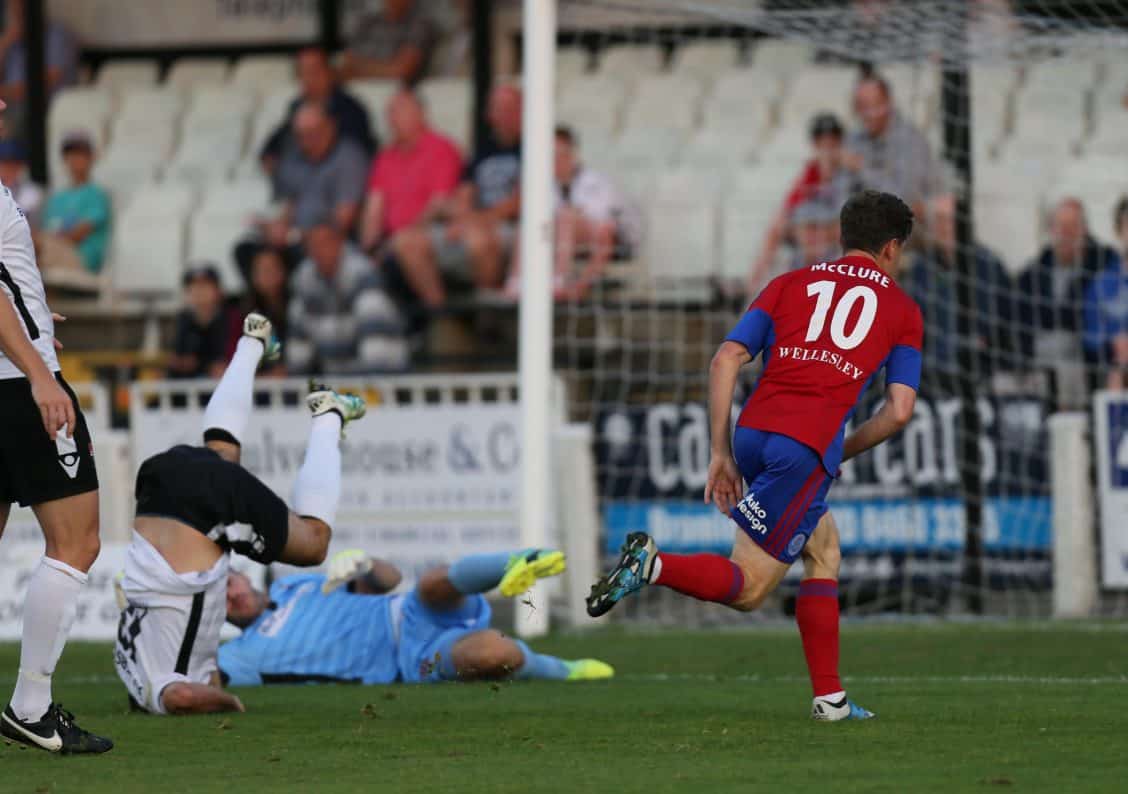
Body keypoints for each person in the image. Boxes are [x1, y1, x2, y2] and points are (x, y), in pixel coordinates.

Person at [587, 190, 923, 723]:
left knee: (824, 548)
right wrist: (839, 450)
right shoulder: (903, 310)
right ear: (890, 248)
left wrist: (720, 451)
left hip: (753, 432)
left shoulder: (788, 282)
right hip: (803, 449)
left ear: (842, 238)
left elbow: (726, 359)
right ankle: (652, 565)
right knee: (748, 588)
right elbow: (899, 410)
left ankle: (830, 700)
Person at [114, 313, 367, 715]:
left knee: (314, 544)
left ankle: (328, 415)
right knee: (220, 453)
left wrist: (228, 703)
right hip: (159, 486)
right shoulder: (129, 663)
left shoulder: (158, 686)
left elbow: (179, 695)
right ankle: (253, 340)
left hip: (200, 517)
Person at [0, 102, 109, 752]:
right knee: (78, 541)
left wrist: (35, 312)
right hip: (18, 390)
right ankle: (30, 705)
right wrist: (37, 370)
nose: (5, 103)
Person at [219, 547, 613, 687]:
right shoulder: (240, 655)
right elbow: (199, 681)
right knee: (494, 655)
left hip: (407, 609)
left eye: (229, 582)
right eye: (220, 598)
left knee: (431, 582)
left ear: (240, 574)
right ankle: (563, 671)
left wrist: (365, 563)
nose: (232, 594)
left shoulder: (296, 587)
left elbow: (388, 580)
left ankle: (519, 561)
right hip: (408, 661)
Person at [390, 84, 522, 307]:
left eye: (510, 108)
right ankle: (441, 313)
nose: (503, 115)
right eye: (498, 109)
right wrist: (460, 219)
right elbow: (465, 193)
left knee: (479, 241)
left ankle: (487, 316)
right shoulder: (483, 150)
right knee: (405, 242)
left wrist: (476, 221)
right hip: (474, 224)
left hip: (509, 229)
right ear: (489, 114)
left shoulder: (535, 147)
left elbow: (521, 202)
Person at [506, 125, 640, 302]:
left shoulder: (597, 184)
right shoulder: (545, 186)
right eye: (548, 153)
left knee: (566, 218)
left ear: (572, 153)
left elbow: (606, 237)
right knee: (530, 221)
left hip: (618, 243)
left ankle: (559, 281)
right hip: (569, 241)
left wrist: (581, 286)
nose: (555, 159)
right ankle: (516, 281)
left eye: (560, 153)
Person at [236, 102, 369, 276]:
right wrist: (274, 227)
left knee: (315, 250)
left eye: (313, 133)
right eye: (300, 135)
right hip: (295, 238)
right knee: (248, 250)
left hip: (332, 241)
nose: (306, 141)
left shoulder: (349, 158)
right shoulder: (295, 157)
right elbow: (290, 204)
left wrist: (294, 235)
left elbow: (342, 221)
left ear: (330, 127)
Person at [904, 194, 1015, 393]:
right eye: (938, 219)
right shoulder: (921, 270)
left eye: (949, 219)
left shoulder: (989, 266)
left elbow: (1007, 324)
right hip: (932, 378)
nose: (944, 226)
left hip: (983, 375)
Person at [1015, 197, 1120, 405]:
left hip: (1088, 356)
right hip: (1040, 361)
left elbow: (1089, 314)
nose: (1067, 234)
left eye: (1073, 226)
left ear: (1084, 230)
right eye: (1061, 227)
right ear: (1051, 231)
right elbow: (1022, 315)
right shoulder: (1035, 271)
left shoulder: (1103, 262)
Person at [750, 113, 857, 294]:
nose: (826, 148)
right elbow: (786, 213)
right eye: (821, 143)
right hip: (814, 238)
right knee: (783, 231)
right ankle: (756, 285)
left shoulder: (853, 172)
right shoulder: (810, 172)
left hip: (838, 238)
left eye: (832, 142)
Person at [286, 224, 409, 375]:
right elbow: (299, 346)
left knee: (371, 306)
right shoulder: (304, 282)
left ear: (340, 244)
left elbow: (378, 348)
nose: (318, 251)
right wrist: (296, 384)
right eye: (312, 245)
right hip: (336, 381)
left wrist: (372, 389)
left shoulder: (363, 278)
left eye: (325, 243)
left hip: (379, 378)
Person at [359, 88, 462, 255]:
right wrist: (369, 249)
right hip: (389, 241)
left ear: (421, 114)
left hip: (428, 236)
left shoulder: (441, 148)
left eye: (400, 111)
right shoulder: (385, 156)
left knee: (406, 246)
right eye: (390, 112)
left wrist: (400, 239)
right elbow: (374, 208)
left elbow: (438, 204)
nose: (393, 118)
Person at [259, 47, 377, 174]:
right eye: (303, 72)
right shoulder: (297, 105)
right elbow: (280, 137)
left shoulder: (351, 108)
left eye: (314, 71)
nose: (309, 78)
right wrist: (269, 155)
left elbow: (356, 152)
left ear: (329, 72)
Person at [845, 75, 940, 217]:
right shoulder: (855, 139)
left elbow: (904, 200)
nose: (868, 113)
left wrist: (862, 168)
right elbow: (842, 191)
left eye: (873, 104)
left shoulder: (911, 140)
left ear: (888, 103)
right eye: (861, 106)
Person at [0, 0, 78, 140]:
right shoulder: (13, 42)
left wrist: (4, 92)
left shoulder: (57, 35)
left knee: (19, 116)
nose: (17, 11)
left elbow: (42, 83)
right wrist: (6, 41)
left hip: (41, 111)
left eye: (22, 6)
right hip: (10, 110)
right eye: (13, 7)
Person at [39, 131, 111, 276]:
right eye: (71, 154)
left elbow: (77, 234)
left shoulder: (96, 195)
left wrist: (47, 239)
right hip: (51, 253)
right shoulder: (56, 199)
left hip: (81, 259)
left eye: (81, 154)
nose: (76, 159)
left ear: (91, 158)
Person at [1083, 198, 1128, 390]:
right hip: (1114, 372)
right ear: (1119, 231)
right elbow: (1090, 337)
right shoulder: (1103, 284)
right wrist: (1113, 342)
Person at [167, 265, 239, 380]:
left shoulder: (232, 319)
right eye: (193, 287)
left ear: (218, 290)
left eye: (205, 286)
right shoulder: (184, 319)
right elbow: (176, 359)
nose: (199, 291)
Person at [339, 0, 436, 84]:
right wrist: (384, 69)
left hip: (391, 94)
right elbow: (347, 61)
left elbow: (401, 72)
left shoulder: (419, 26)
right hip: (355, 90)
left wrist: (358, 68)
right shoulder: (369, 22)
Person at [227, 247, 290, 376]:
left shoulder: (296, 308)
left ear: (283, 271)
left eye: (272, 268)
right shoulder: (242, 314)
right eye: (262, 270)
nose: (268, 274)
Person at [0, 139, 41, 226]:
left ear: (21, 165)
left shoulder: (32, 193)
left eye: (14, 163)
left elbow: (34, 230)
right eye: (4, 163)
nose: (9, 168)